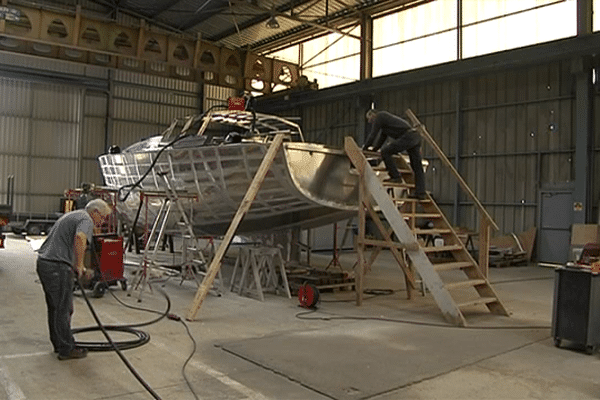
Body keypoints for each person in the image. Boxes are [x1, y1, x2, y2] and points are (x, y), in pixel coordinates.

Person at [36, 198, 112, 360]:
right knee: (64, 308)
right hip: (57, 266)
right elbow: (80, 238)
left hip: (45, 263)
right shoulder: (86, 219)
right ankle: (66, 348)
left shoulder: (75, 215)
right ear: (95, 212)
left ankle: (59, 343)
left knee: (55, 307)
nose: (103, 221)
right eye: (103, 217)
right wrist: (79, 265)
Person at [363, 109, 427, 200]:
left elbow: (373, 135)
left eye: (369, 119)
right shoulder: (385, 124)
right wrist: (374, 150)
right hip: (415, 136)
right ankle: (421, 193)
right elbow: (381, 139)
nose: (370, 122)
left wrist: (365, 148)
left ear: (373, 115)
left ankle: (395, 176)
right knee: (417, 166)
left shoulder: (380, 116)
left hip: (408, 136)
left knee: (385, 152)